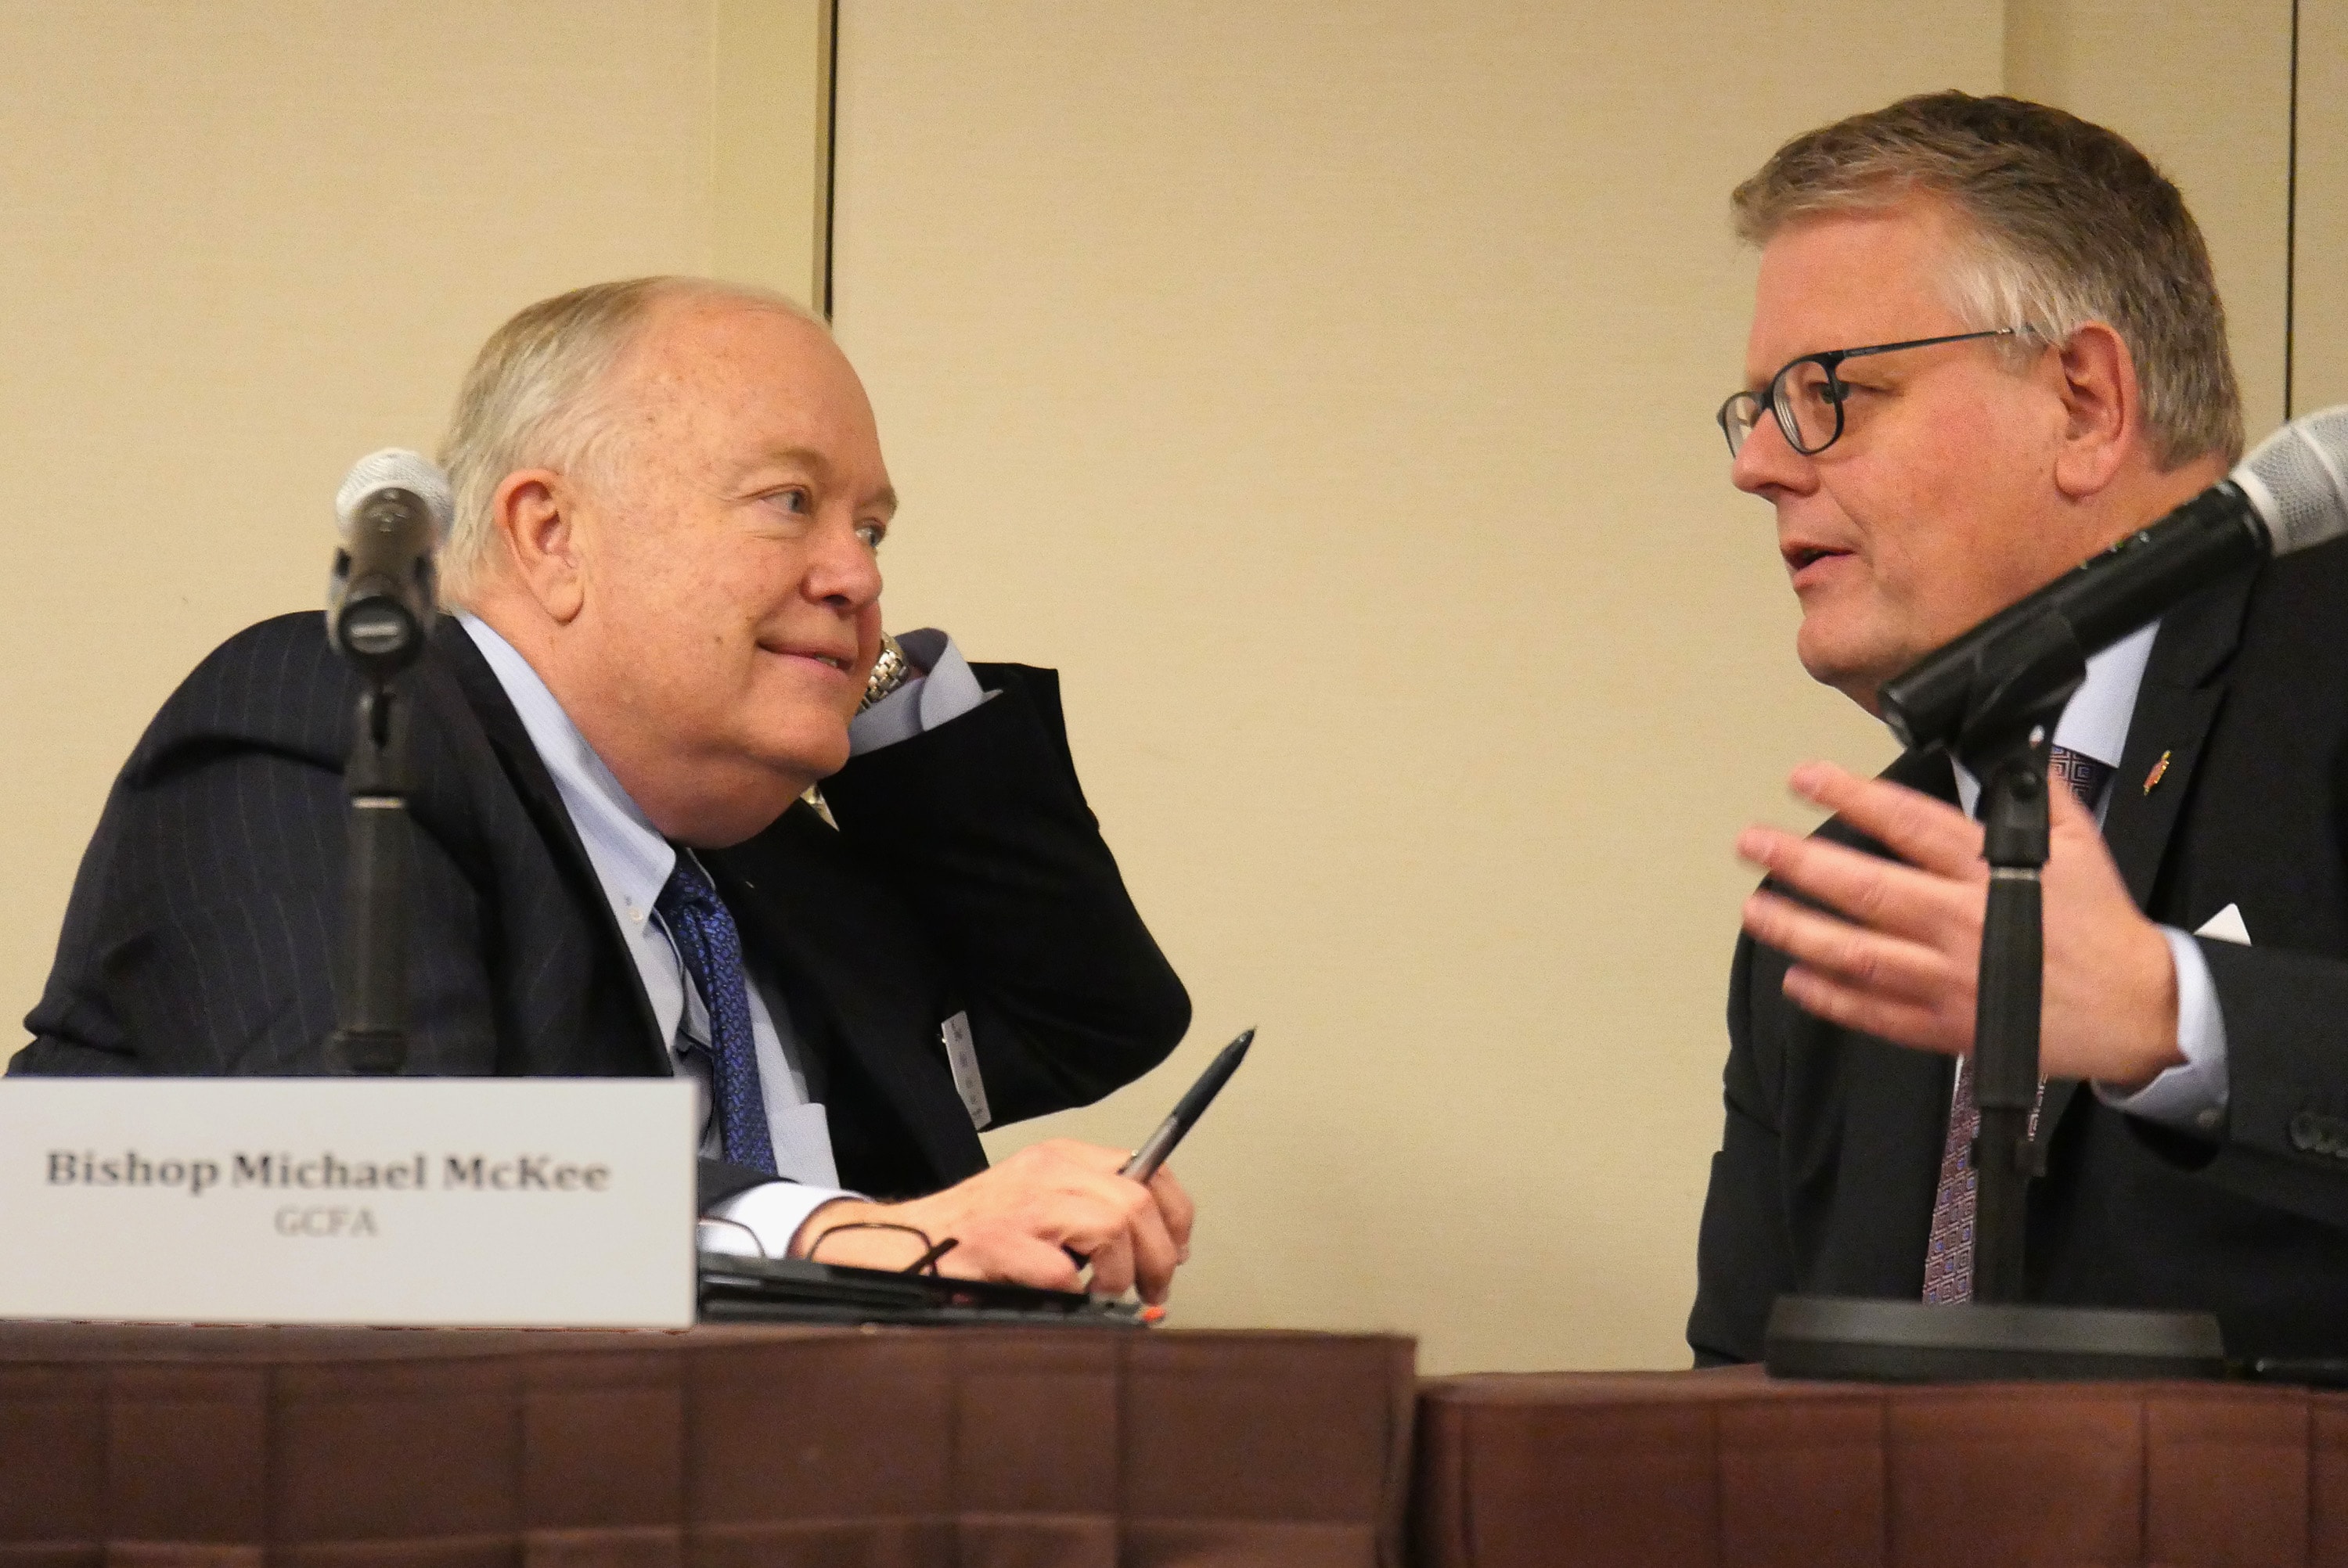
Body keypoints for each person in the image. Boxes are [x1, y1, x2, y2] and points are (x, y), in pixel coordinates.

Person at [12, 277, 1197, 1302]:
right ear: (551, 533)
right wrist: (850, 1235)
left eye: (873, 532)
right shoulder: (342, 721)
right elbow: (375, 1175)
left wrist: (860, 685)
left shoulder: (756, 855)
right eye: (791, 502)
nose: (855, 573)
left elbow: (1085, 1016)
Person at [1689, 92, 2348, 1362]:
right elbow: (1741, 1396)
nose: (1759, 464)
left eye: (1828, 393)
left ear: (2087, 402)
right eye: (1756, 407)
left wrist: (2181, 1014)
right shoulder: (1854, 896)